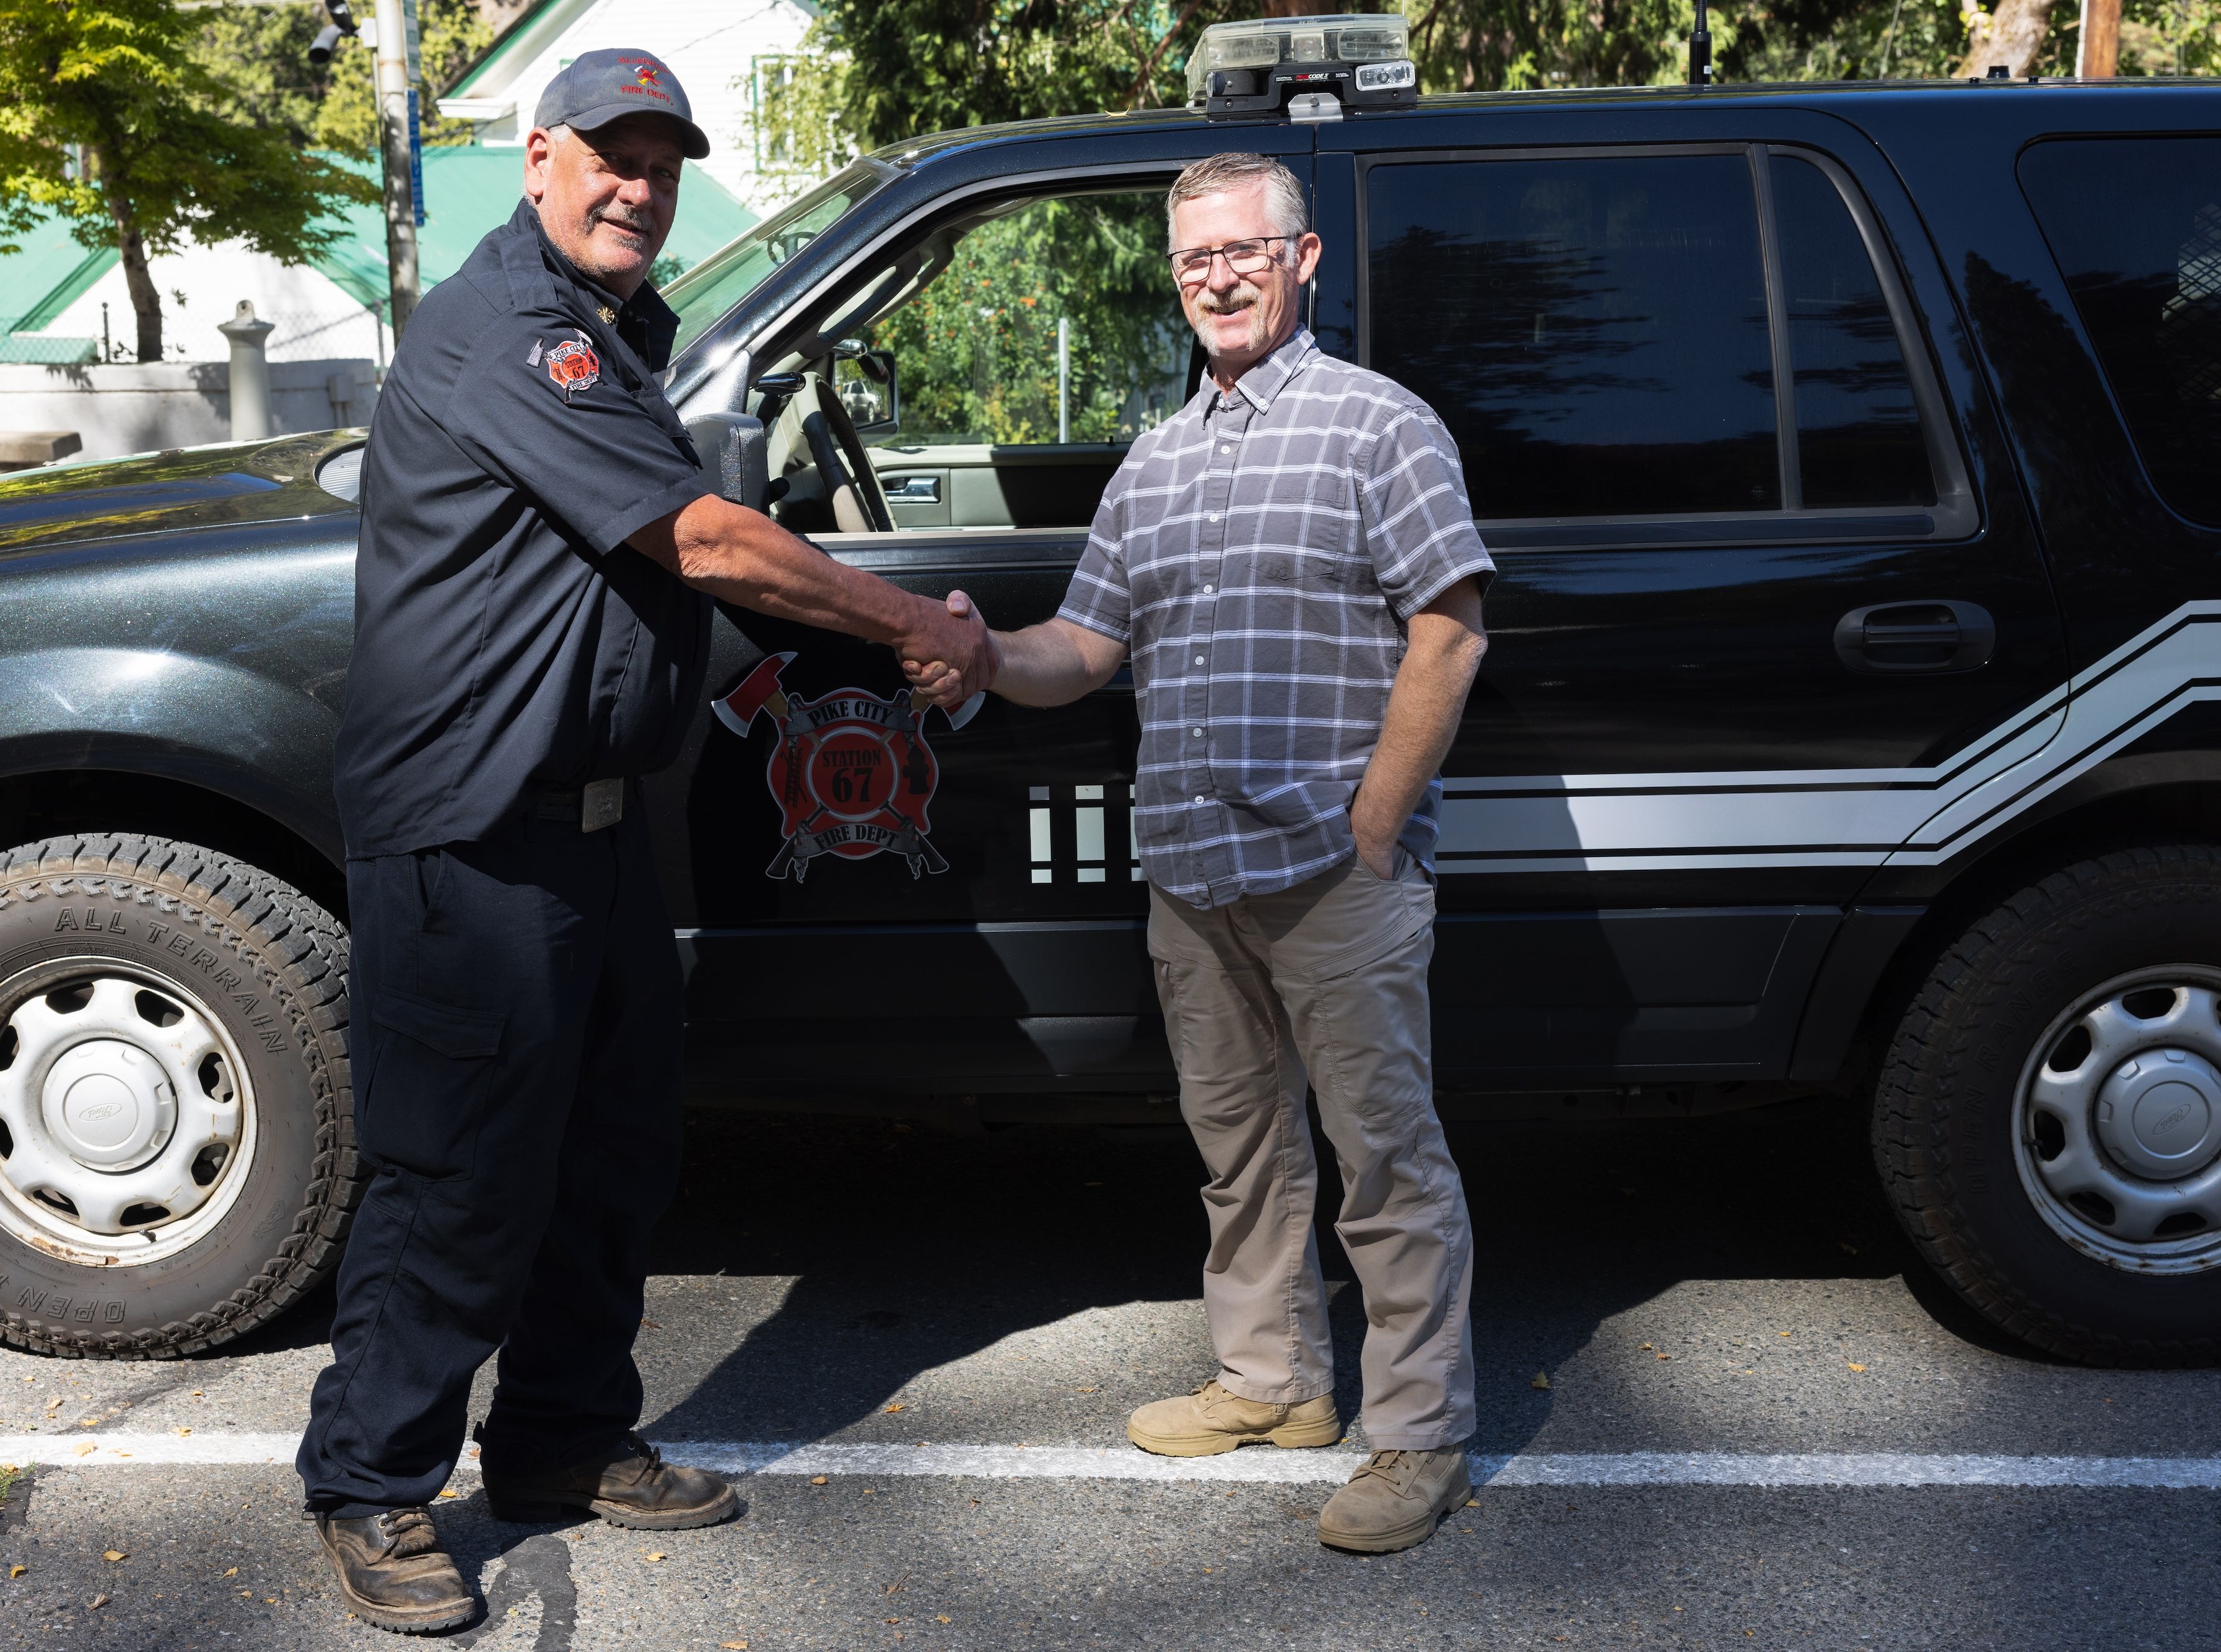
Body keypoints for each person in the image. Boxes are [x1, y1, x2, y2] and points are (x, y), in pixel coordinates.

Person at [297, 49, 993, 1632]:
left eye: (663, 162)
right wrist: (905, 629)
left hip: (596, 833)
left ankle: (554, 1439)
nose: (639, 185)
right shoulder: (510, 328)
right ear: (536, 158)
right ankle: (372, 1481)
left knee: (607, 1159)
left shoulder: (615, 331)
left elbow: (622, 588)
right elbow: (694, 536)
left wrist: (767, 673)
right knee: (456, 1176)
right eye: (611, 155)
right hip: (473, 835)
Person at [960, 150, 1493, 1554]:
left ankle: (1418, 1432)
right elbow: (1079, 649)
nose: (1216, 277)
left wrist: (1377, 819)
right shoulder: (1157, 457)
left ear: (1301, 259)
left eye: (1241, 251)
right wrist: (972, 652)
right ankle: (1272, 1384)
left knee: (1384, 1161)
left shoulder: (1378, 426)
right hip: (1189, 875)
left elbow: (1448, 624)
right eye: (1194, 259)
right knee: (1241, 1154)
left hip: (1333, 872)